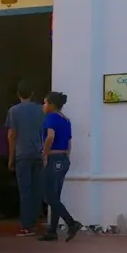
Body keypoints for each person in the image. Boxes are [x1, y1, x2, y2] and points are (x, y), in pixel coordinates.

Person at [39, 90, 83, 243]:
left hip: (53, 158)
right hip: (63, 159)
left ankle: (71, 223)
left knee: (49, 196)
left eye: (45, 103)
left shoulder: (51, 118)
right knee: (55, 196)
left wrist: (45, 153)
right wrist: (66, 157)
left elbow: (50, 136)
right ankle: (52, 231)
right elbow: (69, 142)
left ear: (51, 105)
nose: (43, 106)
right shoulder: (66, 120)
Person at [6, 80, 45, 237]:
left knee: (25, 190)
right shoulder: (41, 110)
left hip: (22, 154)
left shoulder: (13, 111)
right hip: (38, 153)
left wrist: (10, 157)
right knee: (37, 189)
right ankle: (35, 220)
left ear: (18, 94)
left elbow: (12, 135)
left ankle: (27, 225)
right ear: (33, 94)